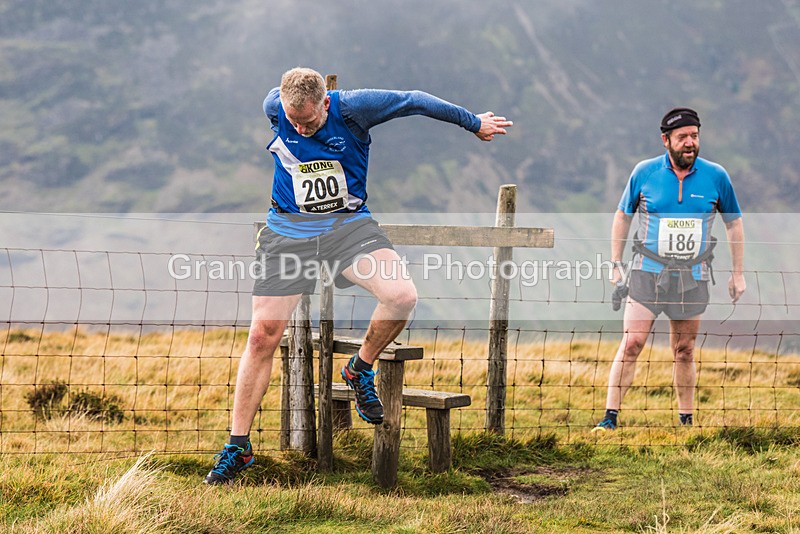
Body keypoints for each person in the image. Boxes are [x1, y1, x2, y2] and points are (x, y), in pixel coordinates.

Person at [204, 67, 513, 484]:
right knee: (262, 335)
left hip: (347, 230)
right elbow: (288, 119)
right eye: (293, 121)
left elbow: (415, 97)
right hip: (287, 234)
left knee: (402, 296)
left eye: (309, 121)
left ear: (326, 102)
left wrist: (473, 122)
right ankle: (237, 447)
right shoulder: (273, 105)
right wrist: (294, 125)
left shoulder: (354, 109)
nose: (300, 127)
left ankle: (359, 368)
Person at [593, 107, 746, 432]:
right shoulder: (645, 173)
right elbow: (623, 215)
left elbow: (734, 222)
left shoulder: (716, 175)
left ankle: (686, 420)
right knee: (632, 342)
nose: (690, 143)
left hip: (692, 277)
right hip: (647, 273)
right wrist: (615, 263)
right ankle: (609, 418)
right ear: (666, 140)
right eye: (682, 137)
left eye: (695, 135)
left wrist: (738, 272)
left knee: (684, 350)